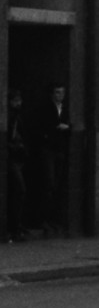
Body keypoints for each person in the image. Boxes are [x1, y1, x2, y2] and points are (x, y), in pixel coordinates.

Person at [6, 89, 29, 241]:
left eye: (19, 100)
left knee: (18, 191)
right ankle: (15, 227)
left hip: (17, 157)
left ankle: (16, 225)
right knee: (19, 190)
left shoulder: (17, 117)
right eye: (15, 101)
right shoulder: (11, 117)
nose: (18, 103)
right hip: (12, 157)